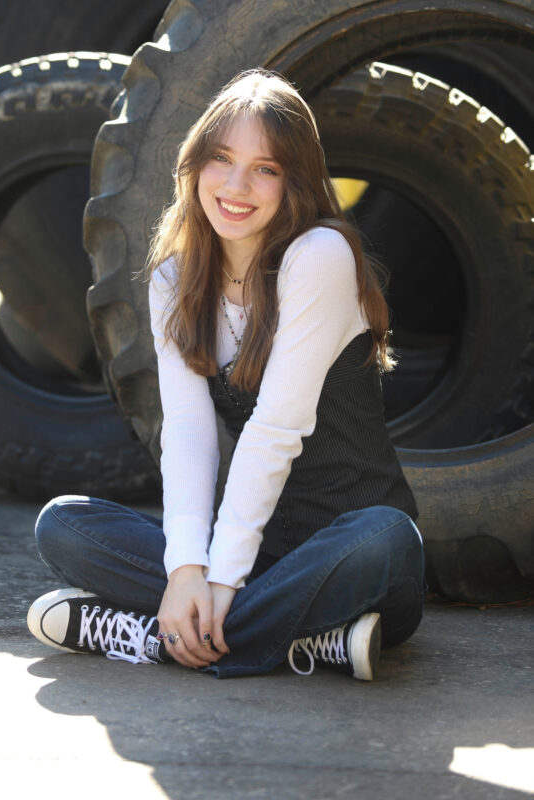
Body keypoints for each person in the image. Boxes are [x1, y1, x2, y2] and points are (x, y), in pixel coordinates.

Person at [27, 68, 424, 680]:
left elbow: (276, 428)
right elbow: (186, 433)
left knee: (389, 536)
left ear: (295, 181)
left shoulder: (318, 255)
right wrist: (190, 570)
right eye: (222, 159)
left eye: (265, 168)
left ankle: (152, 638)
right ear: (195, 165)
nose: (237, 185)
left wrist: (218, 580)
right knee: (63, 524)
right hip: (253, 561)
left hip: (345, 560)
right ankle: (308, 645)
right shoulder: (175, 280)